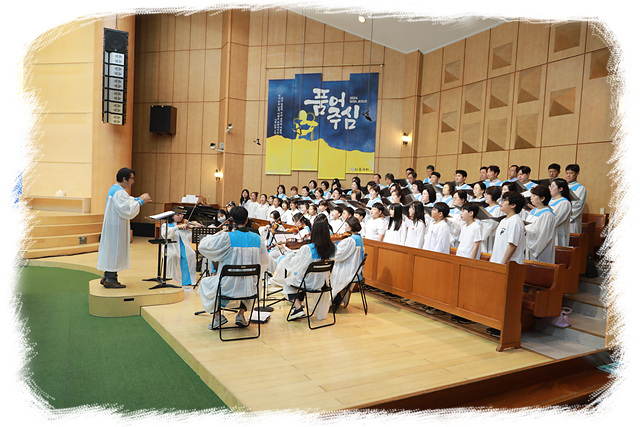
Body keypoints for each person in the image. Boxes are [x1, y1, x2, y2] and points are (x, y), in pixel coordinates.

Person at [197, 206, 269, 329]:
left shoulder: (227, 237)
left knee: (204, 283)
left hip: (228, 286)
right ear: (246, 220)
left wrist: (219, 233)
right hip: (250, 288)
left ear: (232, 220)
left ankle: (217, 317)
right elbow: (264, 263)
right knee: (251, 281)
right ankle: (241, 314)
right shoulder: (258, 238)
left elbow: (203, 247)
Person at [97, 167, 151, 288]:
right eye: (132, 179)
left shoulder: (115, 189)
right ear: (124, 179)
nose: (133, 181)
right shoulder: (119, 192)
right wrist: (140, 201)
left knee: (111, 251)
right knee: (115, 251)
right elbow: (127, 209)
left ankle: (107, 276)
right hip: (116, 228)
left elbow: (127, 201)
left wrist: (138, 199)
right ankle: (111, 279)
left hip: (113, 226)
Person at [275, 220, 336, 320]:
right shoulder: (333, 248)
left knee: (288, 281)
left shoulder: (308, 248)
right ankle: (298, 306)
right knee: (301, 280)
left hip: (310, 282)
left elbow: (294, 263)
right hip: (324, 283)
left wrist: (285, 251)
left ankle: (298, 308)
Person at [331, 217, 365, 308]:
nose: (345, 227)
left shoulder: (350, 240)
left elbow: (338, 256)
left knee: (329, 273)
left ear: (351, 226)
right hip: (356, 269)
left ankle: (338, 295)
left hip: (349, 269)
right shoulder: (359, 238)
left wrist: (332, 248)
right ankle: (342, 294)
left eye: (346, 225)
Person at [160, 211, 199, 286]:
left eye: (181, 214)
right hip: (171, 247)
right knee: (173, 256)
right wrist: (176, 228)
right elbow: (164, 235)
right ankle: (173, 280)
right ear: (172, 216)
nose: (180, 216)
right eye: (178, 215)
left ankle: (190, 280)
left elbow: (190, 238)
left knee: (191, 254)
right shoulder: (166, 225)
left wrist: (192, 230)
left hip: (185, 247)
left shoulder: (184, 224)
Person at [489, 192, 526, 264]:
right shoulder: (503, 220)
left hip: (508, 265)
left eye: (505, 200)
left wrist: (503, 264)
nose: (501, 202)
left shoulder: (515, 221)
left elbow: (512, 246)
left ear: (513, 205)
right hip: (497, 262)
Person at [524, 185, 556, 263]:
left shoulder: (547, 214)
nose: (531, 198)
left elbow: (543, 235)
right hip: (527, 246)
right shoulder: (533, 211)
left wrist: (526, 231)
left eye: (534, 196)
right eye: (531, 196)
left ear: (542, 198)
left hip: (539, 250)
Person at [548, 178, 572, 246]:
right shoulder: (550, 200)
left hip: (558, 235)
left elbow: (556, 220)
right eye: (550, 186)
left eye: (553, 186)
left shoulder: (565, 203)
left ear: (560, 189)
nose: (550, 188)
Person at [565, 164, 587, 234]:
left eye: (571, 173)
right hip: (561, 221)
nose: (568, 175)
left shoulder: (580, 188)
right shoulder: (563, 187)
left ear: (577, 174)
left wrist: (565, 216)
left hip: (572, 221)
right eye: (567, 173)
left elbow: (578, 205)